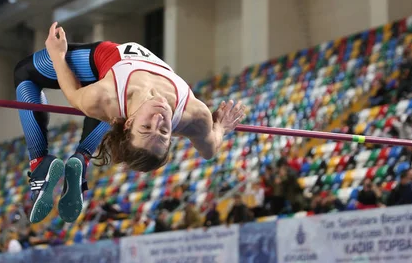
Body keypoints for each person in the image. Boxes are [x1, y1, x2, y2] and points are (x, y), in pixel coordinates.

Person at [15, 23, 245, 224]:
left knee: (24, 72)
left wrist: (57, 55)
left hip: (103, 63)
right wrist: (221, 128)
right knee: (106, 110)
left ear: (129, 123)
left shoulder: (105, 98)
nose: (159, 118)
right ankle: (82, 158)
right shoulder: (194, 114)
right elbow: (209, 149)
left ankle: (40, 161)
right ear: (173, 133)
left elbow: (74, 93)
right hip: (112, 84)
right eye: (164, 131)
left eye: (146, 127)